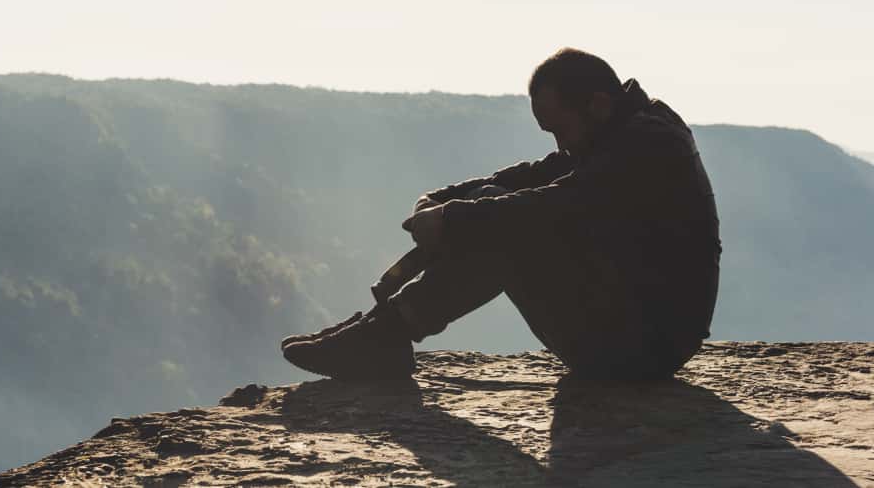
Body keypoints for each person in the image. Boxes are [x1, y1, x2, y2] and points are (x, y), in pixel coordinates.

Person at [281, 48, 721, 381]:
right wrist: (438, 201)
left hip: (645, 346)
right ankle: (385, 327)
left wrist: (452, 219)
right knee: (495, 206)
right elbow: (531, 177)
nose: (559, 146)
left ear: (599, 105)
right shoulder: (620, 131)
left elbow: (551, 205)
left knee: (512, 228)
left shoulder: (647, 145)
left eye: (560, 130)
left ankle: (384, 334)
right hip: (632, 328)